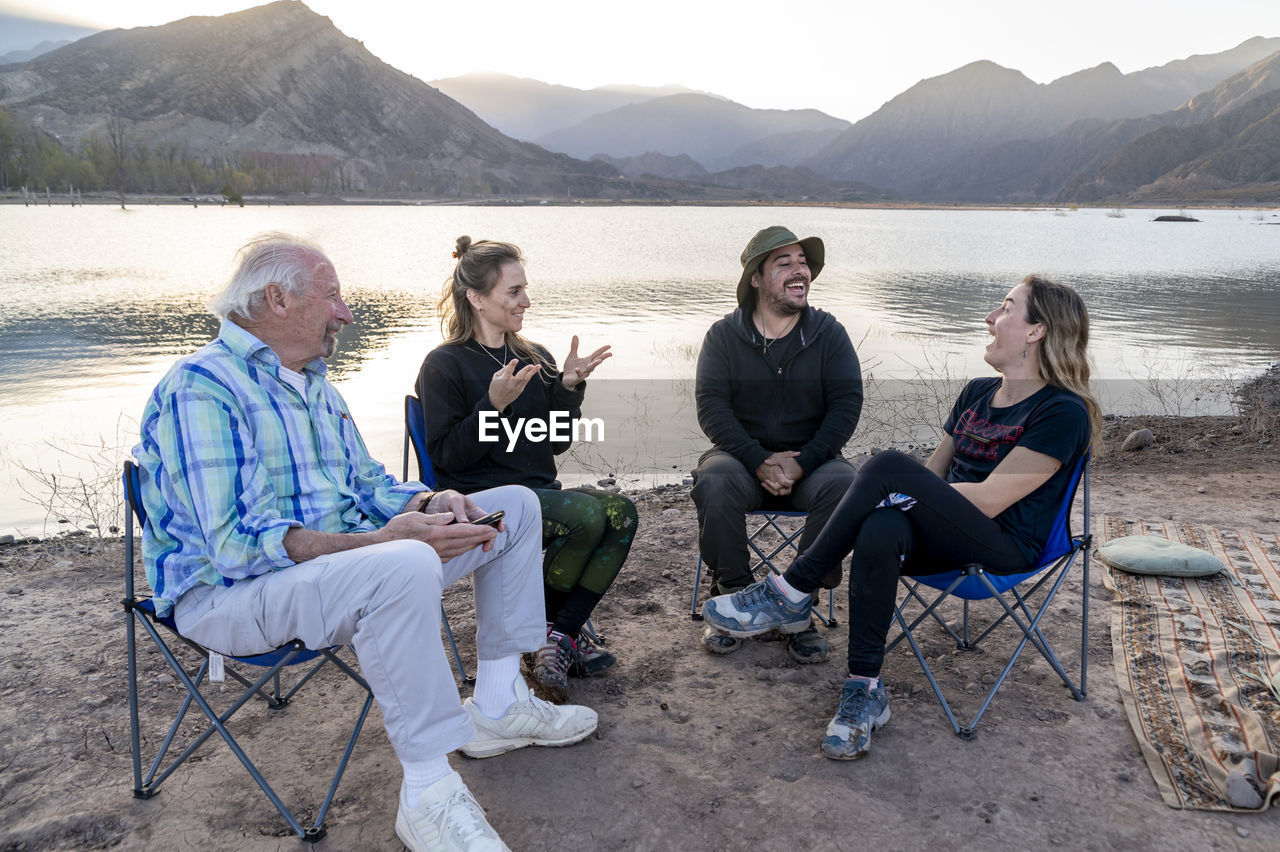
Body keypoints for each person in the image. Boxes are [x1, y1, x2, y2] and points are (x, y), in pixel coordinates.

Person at [134, 233, 598, 852]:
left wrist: (430, 503)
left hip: (334, 576)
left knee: (510, 506)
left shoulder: (316, 388)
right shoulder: (204, 388)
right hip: (229, 597)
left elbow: (369, 485)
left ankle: (498, 702)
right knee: (402, 561)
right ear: (277, 298)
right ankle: (429, 793)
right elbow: (237, 547)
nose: (346, 314)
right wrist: (383, 540)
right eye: (333, 298)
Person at [702, 274, 1101, 761]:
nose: (990, 319)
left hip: (1004, 546)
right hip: (945, 532)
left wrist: (901, 488)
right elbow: (931, 477)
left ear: (1036, 331)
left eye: (1005, 308)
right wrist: (894, 497)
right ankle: (864, 688)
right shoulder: (977, 392)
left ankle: (788, 591)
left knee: (890, 466)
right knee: (880, 525)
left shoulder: (1063, 412)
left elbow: (992, 500)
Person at [416, 236, 637, 703]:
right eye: (513, 292)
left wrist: (569, 390)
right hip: (482, 501)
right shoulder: (444, 365)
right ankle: (547, 641)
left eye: (525, 289)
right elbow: (447, 461)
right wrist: (491, 406)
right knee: (588, 517)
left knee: (621, 511)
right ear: (477, 298)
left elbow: (553, 443)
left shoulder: (536, 357)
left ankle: (556, 640)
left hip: (541, 492)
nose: (526, 301)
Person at [692, 225, 863, 662]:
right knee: (714, 478)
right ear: (756, 278)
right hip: (742, 461)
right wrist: (758, 460)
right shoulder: (723, 337)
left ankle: (797, 606)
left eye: (803, 262)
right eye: (783, 263)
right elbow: (712, 408)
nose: (798, 270)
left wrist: (802, 463)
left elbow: (846, 406)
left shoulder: (828, 333)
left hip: (814, 464)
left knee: (847, 484)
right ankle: (732, 597)